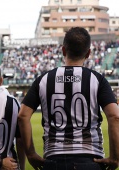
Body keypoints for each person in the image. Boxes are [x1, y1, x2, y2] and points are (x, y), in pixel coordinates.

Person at [18, 27, 119, 170]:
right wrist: (115, 157)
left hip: (54, 159)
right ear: (88, 53)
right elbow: (115, 116)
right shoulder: (97, 80)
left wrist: (31, 154)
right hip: (90, 159)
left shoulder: (44, 79)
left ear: (63, 50)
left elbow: (22, 116)